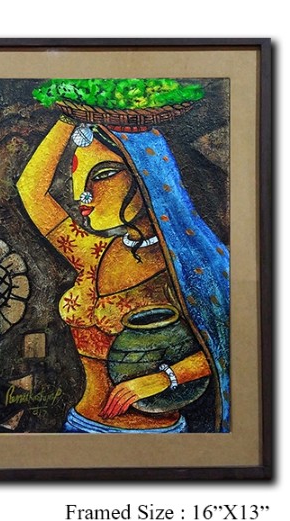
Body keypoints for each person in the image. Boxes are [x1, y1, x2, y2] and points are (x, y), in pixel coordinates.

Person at [17, 114, 229, 433]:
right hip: (79, 426)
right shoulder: (92, 252)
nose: (82, 196)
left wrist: (166, 378)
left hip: (156, 437)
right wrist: (68, 115)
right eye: (78, 180)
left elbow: (231, 342)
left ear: (147, 174)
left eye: (101, 175)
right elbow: (32, 190)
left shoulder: (191, 264)